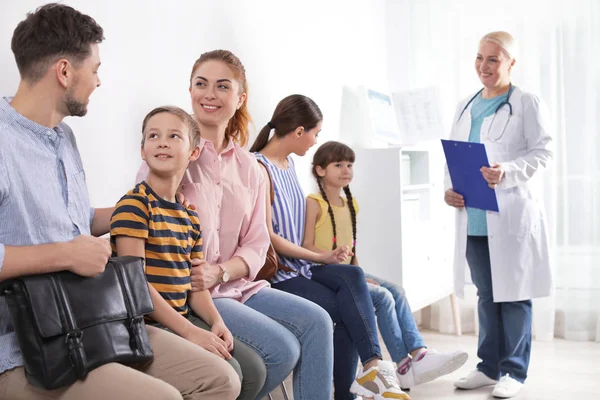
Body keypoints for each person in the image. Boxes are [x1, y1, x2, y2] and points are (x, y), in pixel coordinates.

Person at [0, 4, 240, 400]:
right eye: (94, 69)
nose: (98, 81)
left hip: (91, 320)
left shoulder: (63, 138)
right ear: (64, 72)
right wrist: (66, 255)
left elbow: (72, 221)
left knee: (221, 380)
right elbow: (68, 247)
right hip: (23, 347)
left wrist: (148, 211)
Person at [136, 50, 334, 400]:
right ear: (190, 90)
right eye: (201, 84)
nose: (209, 94)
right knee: (281, 350)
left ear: (240, 98)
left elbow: (258, 243)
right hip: (195, 295)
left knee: (317, 322)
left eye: (222, 86)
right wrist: (203, 278)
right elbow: (150, 227)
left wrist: (222, 272)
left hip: (237, 286)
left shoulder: (251, 168)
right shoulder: (172, 153)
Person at [251, 94, 409, 400]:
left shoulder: (287, 165)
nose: (314, 141)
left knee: (353, 276)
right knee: (346, 311)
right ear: (299, 131)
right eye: (315, 133)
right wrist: (321, 255)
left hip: (305, 267)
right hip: (281, 275)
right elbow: (270, 236)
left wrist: (326, 257)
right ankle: (353, 389)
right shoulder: (260, 168)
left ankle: (373, 365)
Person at [303, 140, 469, 390]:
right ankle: (403, 366)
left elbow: (352, 251)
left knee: (397, 291)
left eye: (350, 164)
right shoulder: (315, 203)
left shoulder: (351, 204)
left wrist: (359, 276)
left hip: (348, 272)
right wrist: (332, 257)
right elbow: (306, 247)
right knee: (384, 297)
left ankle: (419, 353)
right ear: (320, 170)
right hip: (323, 271)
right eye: (338, 164)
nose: (346, 169)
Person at [111, 105, 256, 388]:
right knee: (231, 376)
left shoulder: (189, 216)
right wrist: (190, 332)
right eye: (153, 136)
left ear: (194, 152)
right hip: (146, 322)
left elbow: (195, 285)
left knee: (253, 372)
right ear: (143, 150)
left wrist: (216, 321)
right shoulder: (134, 205)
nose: (162, 141)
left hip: (179, 316)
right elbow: (135, 285)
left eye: (174, 136)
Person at [444, 31, 553, 399]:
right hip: (473, 215)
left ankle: (514, 372)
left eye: (493, 59)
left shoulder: (525, 102)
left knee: (514, 293)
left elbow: (543, 152)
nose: (484, 66)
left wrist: (508, 170)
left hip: (510, 214)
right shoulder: (465, 105)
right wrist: (449, 189)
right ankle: (488, 367)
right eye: (479, 58)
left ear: (510, 63)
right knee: (487, 295)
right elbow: (455, 154)